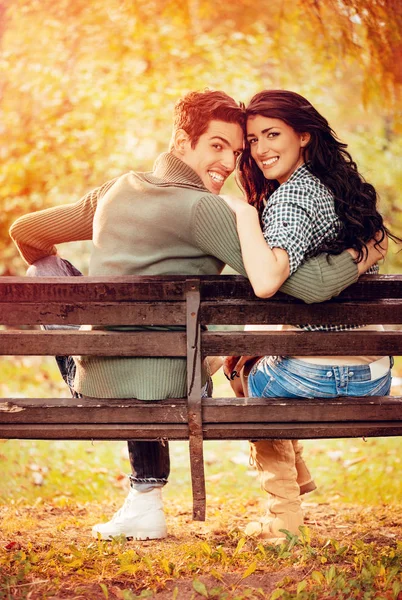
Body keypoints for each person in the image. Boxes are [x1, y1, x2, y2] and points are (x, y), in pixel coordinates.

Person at [10, 89, 382, 543]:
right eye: (217, 146)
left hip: (94, 381)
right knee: (166, 343)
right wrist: (364, 251)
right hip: (177, 384)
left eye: (236, 151)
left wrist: (82, 302)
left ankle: (145, 497)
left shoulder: (116, 190)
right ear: (182, 141)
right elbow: (306, 287)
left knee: (46, 269)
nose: (228, 163)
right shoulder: (209, 211)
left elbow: (26, 232)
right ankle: (147, 496)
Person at [222, 89, 396, 543]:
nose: (260, 150)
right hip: (373, 373)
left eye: (272, 134)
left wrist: (241, 212)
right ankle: (297, 480)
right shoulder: (342, 195)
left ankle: (284, 518)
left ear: (303, 135)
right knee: (253, 362)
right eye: (253, 139)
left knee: (247, 379)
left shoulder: (291, 199)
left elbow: (268, 282)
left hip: (315, 376)